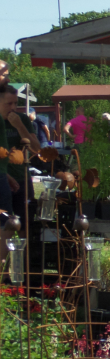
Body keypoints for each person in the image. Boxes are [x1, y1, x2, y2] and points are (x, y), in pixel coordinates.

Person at [0, 85, 41, 264]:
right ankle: (5, 269)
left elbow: (36, 149)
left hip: (22, 179)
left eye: (16, 103)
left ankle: (23, 269)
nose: (13, 108)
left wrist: (19, 126)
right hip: (3, 178)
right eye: (9, 103)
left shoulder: (22, 119)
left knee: (24, 225)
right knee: (5, 226)